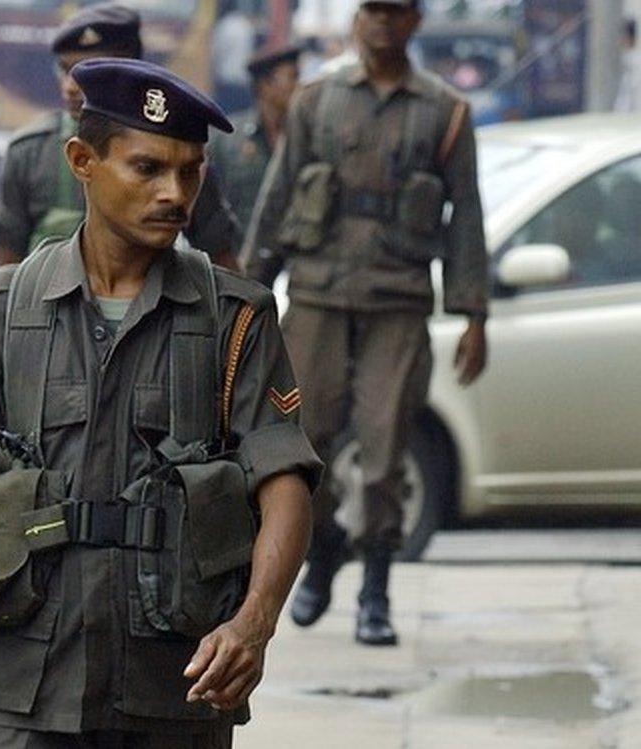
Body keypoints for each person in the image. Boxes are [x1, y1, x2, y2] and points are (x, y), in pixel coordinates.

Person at [0, 58, 322, 748]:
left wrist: (254, 622)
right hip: (20, 692)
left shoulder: (235, 318)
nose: (174, 193)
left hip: (171, 688)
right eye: (148, 168)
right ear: (82, 160)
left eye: (190, 172)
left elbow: (285, 480)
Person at [241, 0, 489, 647]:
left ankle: (376, 588)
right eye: (372, 9)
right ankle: (323, 551)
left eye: (395, 11)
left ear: (414, 22)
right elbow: (278, 194)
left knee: (384, 450)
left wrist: (474, 313)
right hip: (319, 294)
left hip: (398, 301)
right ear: (356, 20)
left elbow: (466, 216)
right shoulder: (316, 101)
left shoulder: (445, 111)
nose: (382, 22)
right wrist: (246, 291)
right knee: (304, 446)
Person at [0, 3, 242, 271]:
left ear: (130, 69)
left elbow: (222, 257)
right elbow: (6, 268)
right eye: (64, 69)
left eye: (88, 71)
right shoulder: (30, 152)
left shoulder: (178, 158)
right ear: (79, 159)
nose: (70, 86)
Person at [211, 44, 301, 230]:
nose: (299, 86)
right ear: (266, 85)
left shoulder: (305, 136)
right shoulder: (227, 138)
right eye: (292, 77)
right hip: (237, 250)